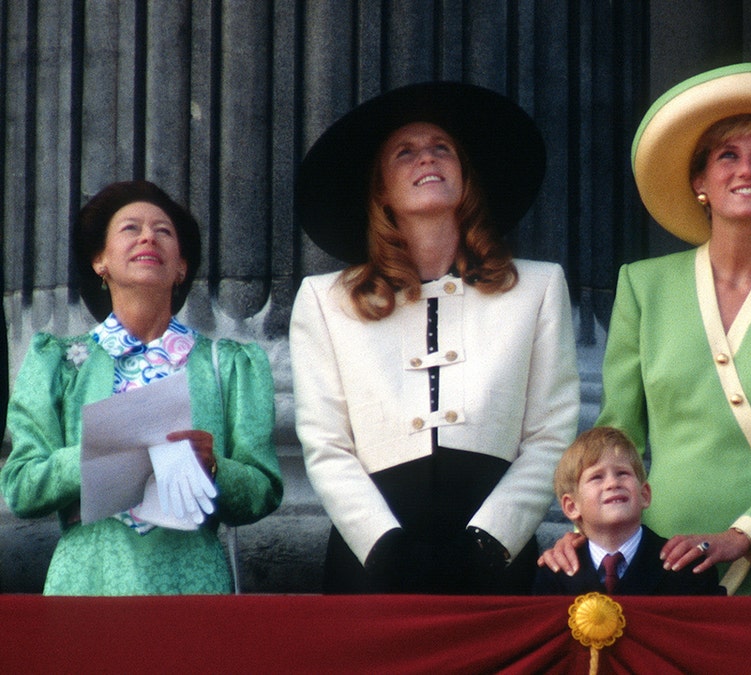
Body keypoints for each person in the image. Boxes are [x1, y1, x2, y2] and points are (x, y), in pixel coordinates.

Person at [539, 63, 751, 595]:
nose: (747, 169)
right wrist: (588, 531)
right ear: (700, 182)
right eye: (727, 156)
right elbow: (617, 434)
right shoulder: (645, 285)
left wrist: (744, 536)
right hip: (666, 557)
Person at [290, 81, 580, 594]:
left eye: (441, 148)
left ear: (465, 177)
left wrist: (495, 539)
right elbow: (326, 443)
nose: (427, 158)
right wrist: (380, 544)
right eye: (405, 152)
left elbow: (550, 435)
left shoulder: (537, 287)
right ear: (381, 190)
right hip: (373, 560)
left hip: (494, 557)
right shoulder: (325, 300)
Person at [0, 180, 283, 595]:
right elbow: (20, 487)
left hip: (193, 584)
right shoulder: (57, 363)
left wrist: (215, 467)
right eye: (130, 228)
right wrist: (94, 454)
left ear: (181, 266)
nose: (149, 236)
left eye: (164, 231)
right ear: (101, 261)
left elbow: (264, 490)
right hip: (87, 583)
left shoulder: (229, 365)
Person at [533, 426, 723, 595]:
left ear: (645, 494)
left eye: (622, 473)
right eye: (597, 477)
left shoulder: (686, 567)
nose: (613, 483)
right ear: (572, 506)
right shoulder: (555, 575)